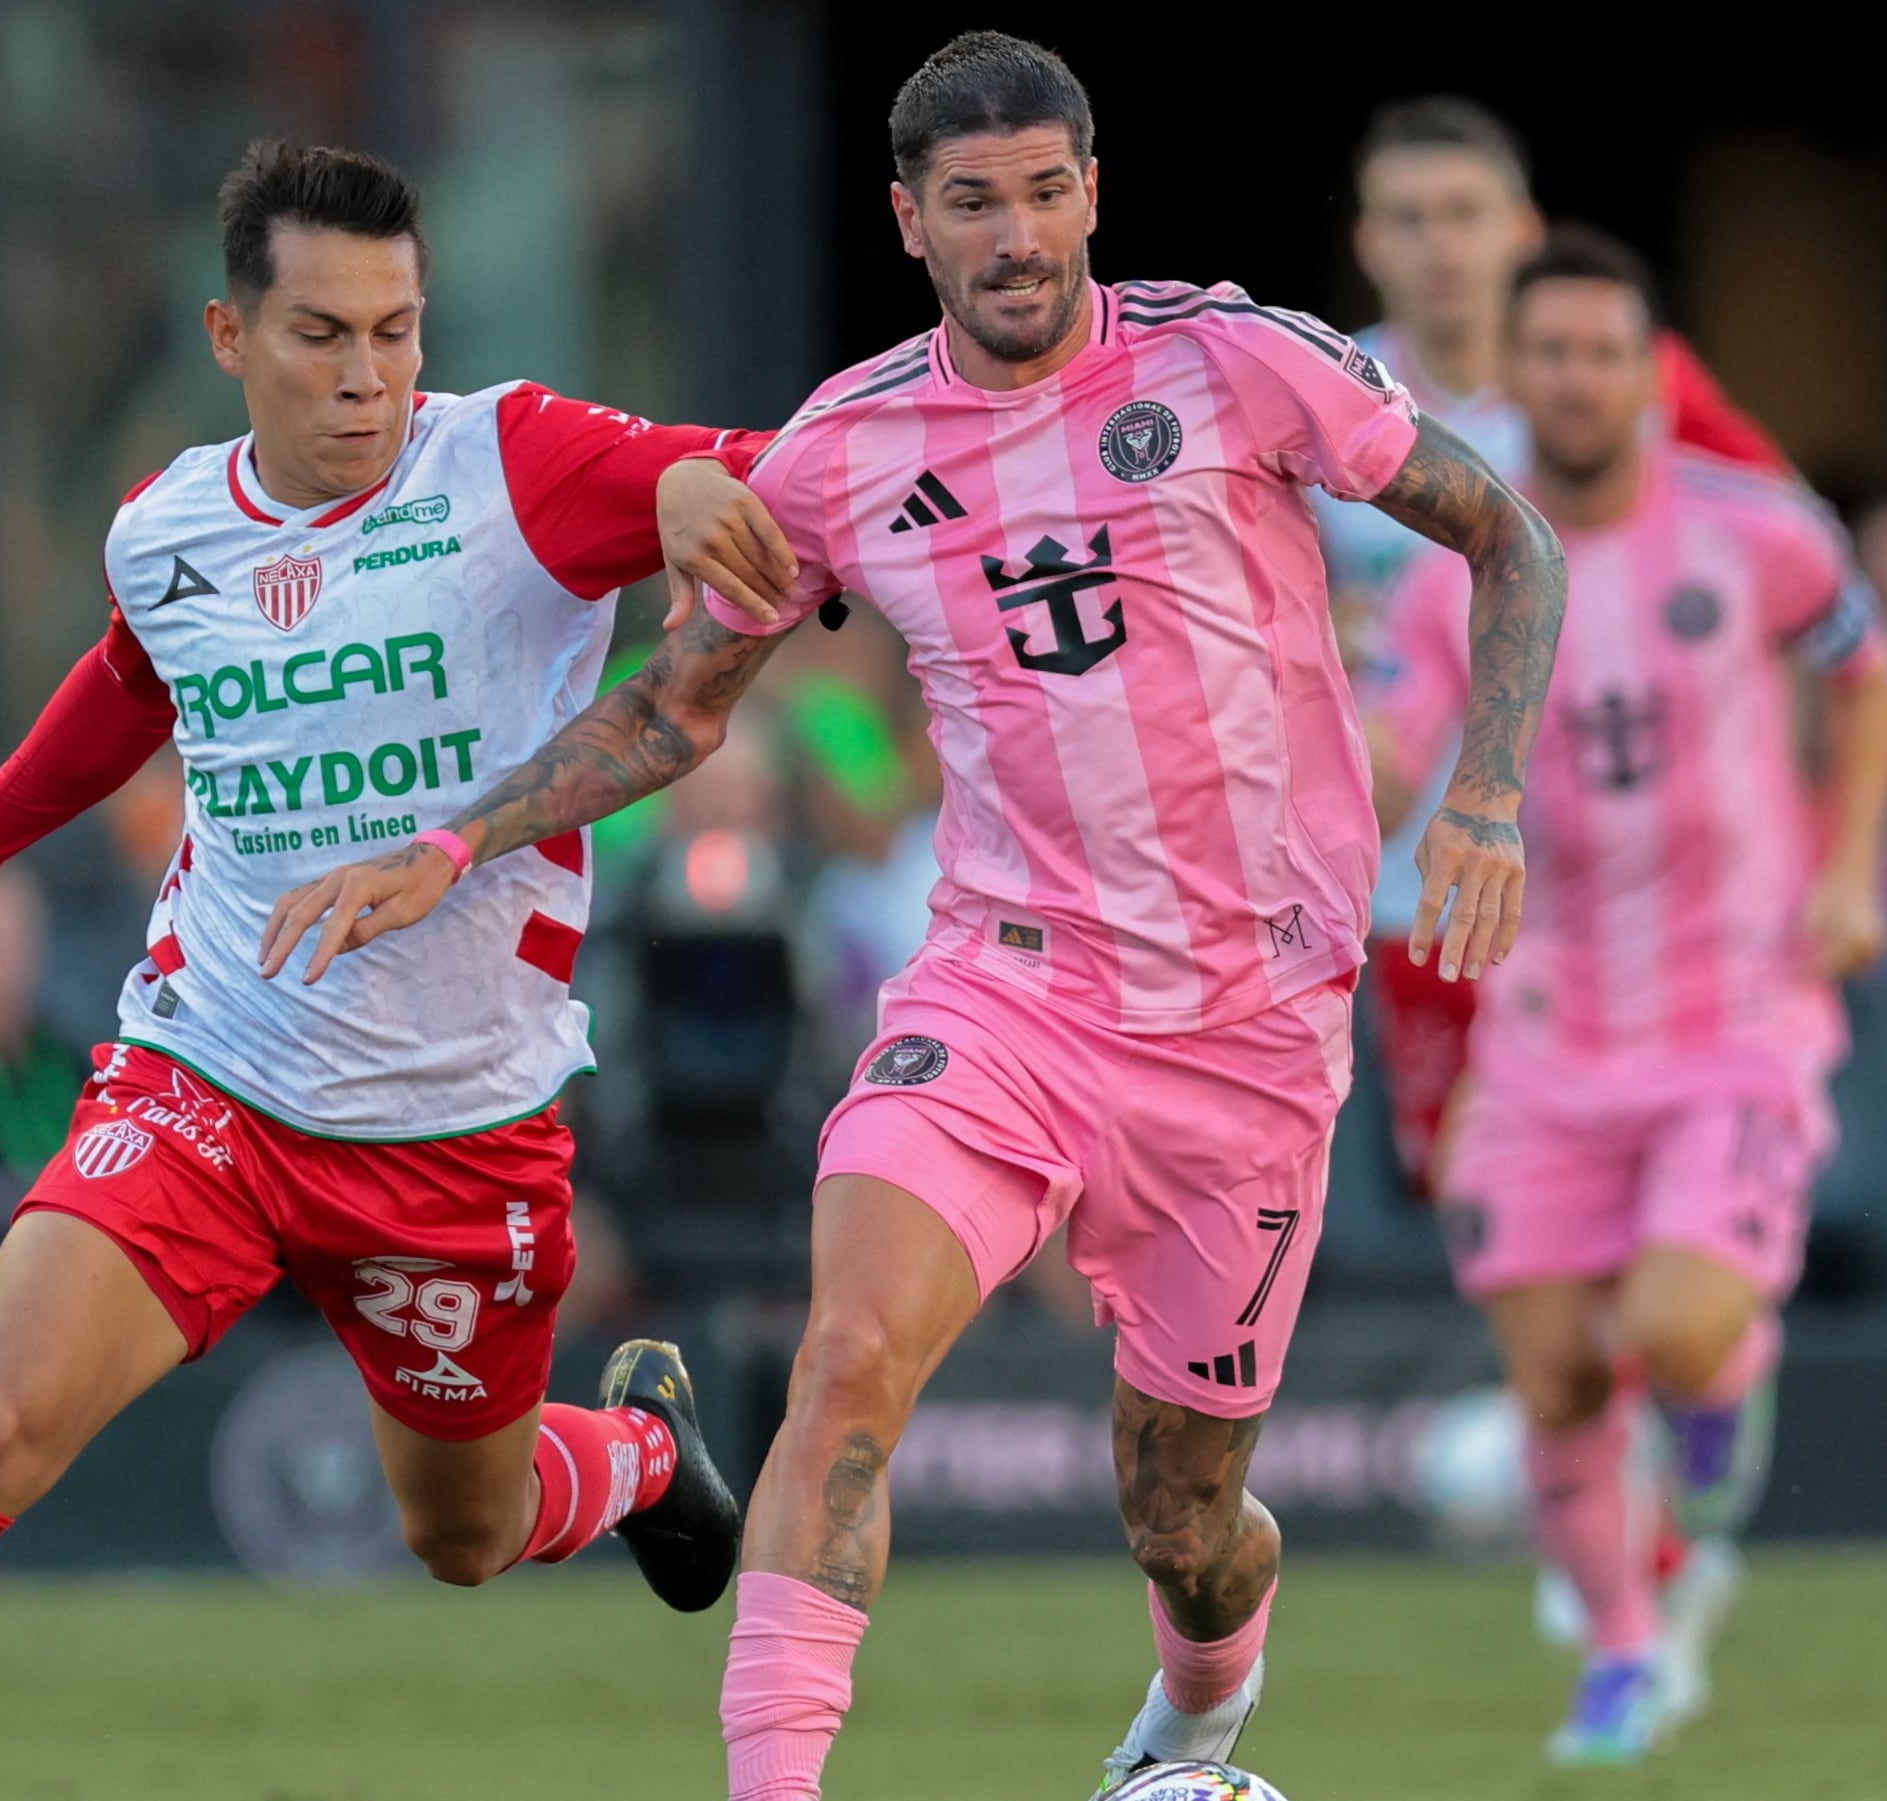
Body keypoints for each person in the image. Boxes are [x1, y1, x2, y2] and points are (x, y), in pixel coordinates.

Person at [267, 34, 1565, 1799]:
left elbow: (1510, 539)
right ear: (908, 220)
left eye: (1044, 192)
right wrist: (456, 837)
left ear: (1090, 192)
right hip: (1003, 996)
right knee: (848, 1359)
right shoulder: (841, 451)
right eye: (973, 203)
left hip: (1251, 1032)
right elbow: (675, 705)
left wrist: (1483, 790)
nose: (1017, 234)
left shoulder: (1235, 361)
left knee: (1183, 1519)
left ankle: (1186, 1726)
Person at [0, 142, 799, 1800]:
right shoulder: (164, 527)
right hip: (208, 1075)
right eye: (321, 334)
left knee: (462, 1529)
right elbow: (126, 687)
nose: (369, 374)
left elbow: (756, 487)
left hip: (459, 1124)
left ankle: (643, 1452)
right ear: (230, 335)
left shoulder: (514, 464)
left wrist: (695, 487)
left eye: (395, 329)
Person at [1376, 227, 1887, 1764]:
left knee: (1675, 1331)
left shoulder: (1759, 532)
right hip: (1544, 1020)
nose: (1575, 377)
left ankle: (1711, 1413)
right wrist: (1341, 768)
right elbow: (1401, 735)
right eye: (1548, 353)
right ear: (1518, 374)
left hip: (1734, 1008)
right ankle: (1621, 1651)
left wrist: (1853, 860)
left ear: (1649, 371)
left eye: (1604, 352)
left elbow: (1869, 671)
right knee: (1549, 1368)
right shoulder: (1466, 559)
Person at [1332, 96, 1787, 1198]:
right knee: (1466, 1194)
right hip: (1417, 888)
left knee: (1629, 1192)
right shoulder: (1316, 396)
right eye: (1407, 218)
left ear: (1522, 231)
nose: (1439, 247)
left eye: (1462, 213)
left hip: (1625, 887)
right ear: (1366, 242)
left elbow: (1784, 553)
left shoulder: (1620, 379)